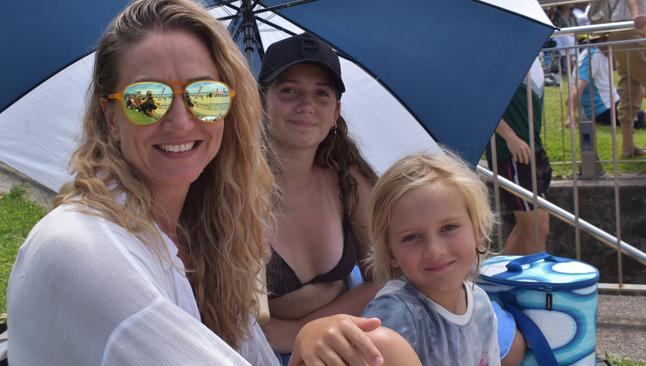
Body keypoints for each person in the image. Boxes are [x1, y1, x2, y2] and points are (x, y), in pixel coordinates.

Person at [5, 1, 420, 365]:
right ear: (111, 117)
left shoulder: (211, 224)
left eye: (204, 95)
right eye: (147, 98)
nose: (180, 121)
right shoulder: (83, 250)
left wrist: (310, 337)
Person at [257, 33, 382, 358]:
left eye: (321, 94)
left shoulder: (348, 178)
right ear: (261, 101)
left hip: (349, 340)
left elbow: (383, 278)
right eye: (289, 91)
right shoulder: (233, 188)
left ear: (336, 109)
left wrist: (310, 331)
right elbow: (235, 319)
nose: (307, 106)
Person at [362, 152, 526, 366]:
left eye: (449, 228)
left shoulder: (481, 304)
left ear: (478, 231)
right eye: (411, 237)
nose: (435, 251)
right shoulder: (394, 317)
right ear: (391, 252)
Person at [487, 58, 552, 255]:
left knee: (528, 228)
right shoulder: (505, 54)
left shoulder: (530, 54)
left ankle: (489, 282)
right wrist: (509, 136)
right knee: (536, 227)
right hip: (512, 154)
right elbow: (482, 100)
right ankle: (537, 285)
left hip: (530, 149)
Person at [608, 0, 646, 156]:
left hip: (623, 28)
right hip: (632, 27)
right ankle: (627, 146)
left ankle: (628, 146)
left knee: (630, 89)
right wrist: (636, 13)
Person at [565, 35, 621, 127]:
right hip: (602, 109)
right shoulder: (592, 55)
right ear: (604, 39)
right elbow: (579, 86)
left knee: (640, 86)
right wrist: (570, 116)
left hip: (610, 101)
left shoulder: (601, 53)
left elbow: (616, 66)